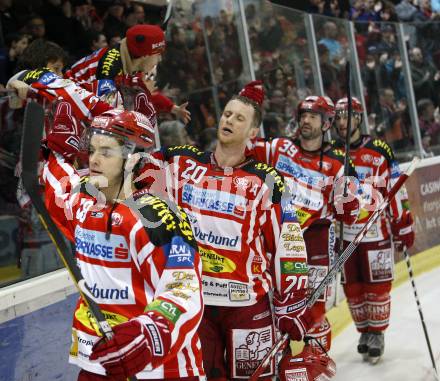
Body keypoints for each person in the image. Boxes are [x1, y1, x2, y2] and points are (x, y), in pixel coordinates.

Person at [138, 81, 310, 380]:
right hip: (195, 302)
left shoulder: (266, 180)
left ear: (253, 133)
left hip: (247, 303)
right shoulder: (181, 162)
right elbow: (132, 175)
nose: (229, 120)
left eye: (239, 118)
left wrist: (291, 304)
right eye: (227, 114)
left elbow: (288, 243)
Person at [40, 108, 204, 380]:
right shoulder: (83, 202)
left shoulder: (156, 216)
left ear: (131, 159)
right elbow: (59, 188)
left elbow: (184, 287)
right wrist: (53, 150)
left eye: (106, 152)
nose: (93, 159)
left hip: (159, 367)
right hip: (98, 360)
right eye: (92, 150)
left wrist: (150, 334)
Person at [251, 94, 360, 374]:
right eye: (303, 115)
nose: (306, 120)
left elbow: (348, 212)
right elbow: (244, 152)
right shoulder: (278, 147)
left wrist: (349, 199)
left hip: (316, 239)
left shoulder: (339, 162)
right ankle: (280, 360)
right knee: (274, 303)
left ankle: (313, 366)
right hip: (276, 238)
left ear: (326, 124)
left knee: (312, 306)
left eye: (313, 116)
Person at [333, 97, 415, 364]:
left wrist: (403, 225)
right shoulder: (333, 151)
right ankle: (364, 331)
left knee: (376, 286)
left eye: (347, 115)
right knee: (353, 288)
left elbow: (395, 190)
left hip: (375, 233)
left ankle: (377, 333)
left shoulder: (379, 150)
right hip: (345, 235)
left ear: (358, 118)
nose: (342, 121)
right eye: (338, 116)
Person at [65, 24, 191, 126]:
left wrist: (173, 108)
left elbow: (144, 92)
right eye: (158, 54)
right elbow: (107, 111)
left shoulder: (131, 62)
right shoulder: (110, 67)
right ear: (145, 55)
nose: (160, 60)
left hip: (81, 107)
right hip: (67, 106)